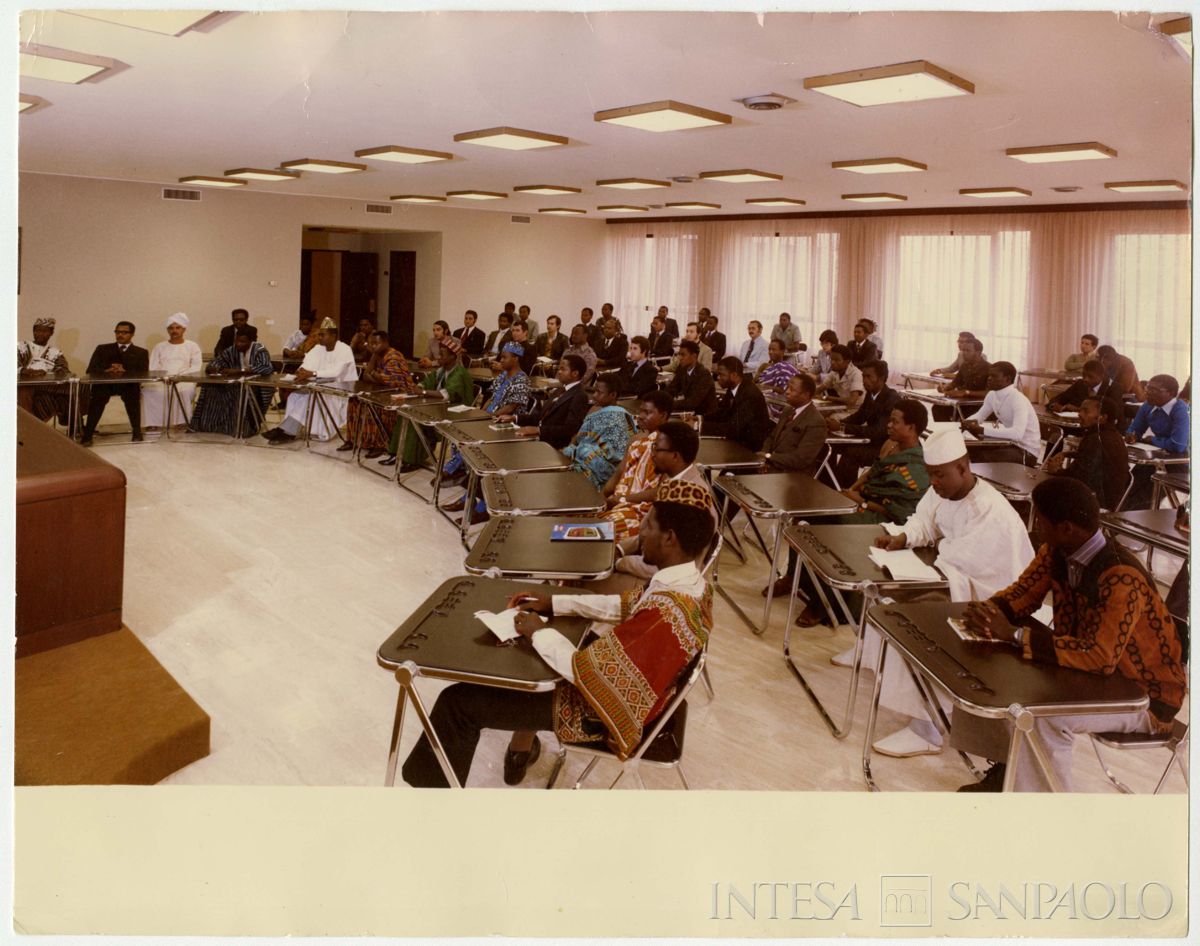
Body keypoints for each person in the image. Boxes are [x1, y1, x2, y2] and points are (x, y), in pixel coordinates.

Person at [401, 486, 714, 788]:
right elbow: (623, 606)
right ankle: (519, 751)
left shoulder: (665, 612)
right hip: (631, 682)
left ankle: (429, 804)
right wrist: (555, 603)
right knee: (526, 655)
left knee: (456, 704)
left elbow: (591, 674)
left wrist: (539, 632)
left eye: (646, 527)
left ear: (669, 538)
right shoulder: (689, 585)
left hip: (599, 709)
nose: (639, 535)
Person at [956, 477, 1186, 792]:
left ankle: (1048, 811)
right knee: (993, 670)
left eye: (1041, 520)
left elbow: (1100, 657)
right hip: (1090, 677)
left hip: (1142, 697)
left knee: (1043, 716)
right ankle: (1007, 771)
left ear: (1066, 528)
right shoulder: (1057, 551)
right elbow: (1022, 594)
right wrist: (989, 612)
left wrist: (1015, 636)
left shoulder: (1122, 577)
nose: (1035, 528)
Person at [853, 428, 1035, 759]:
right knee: (881, 588)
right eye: (931, 475)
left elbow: (977, 572)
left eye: (940, 475)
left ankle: (927, 728)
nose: (934, 482)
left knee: (915, 615)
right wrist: (904, 538)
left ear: (964, 469)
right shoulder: (943, 491)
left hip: (991, 601)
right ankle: (868, 655)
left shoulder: (990, 511)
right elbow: (925, 521)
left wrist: (925, 572)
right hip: (953, 578)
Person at [787, 401, 931, 617]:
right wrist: (850, 491)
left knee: (832, 529)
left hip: (884, 518)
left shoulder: (918, 465)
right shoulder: (890, 446)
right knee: (804, 516)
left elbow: (900, 513)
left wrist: (860, 502)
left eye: (895, 421)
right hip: (862, 502)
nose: (888, 425)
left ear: (911, 428)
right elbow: (871, 473)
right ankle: (793, 578)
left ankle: (823, 605)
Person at [440, 341, 532, 491]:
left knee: (475, 437)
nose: (500, 360)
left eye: (504, 357)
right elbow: (491, 397)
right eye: (501, 357)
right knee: (460, 430)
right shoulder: (503, 375)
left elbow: (510, 407)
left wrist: (487, 417)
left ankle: (456, 469)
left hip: (505, 423)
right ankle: (460, 468)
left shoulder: (522, 380)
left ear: (515, 358)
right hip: (489, 416)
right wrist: (481, 413)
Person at [381, 337, 475, 469]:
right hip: (439, 408)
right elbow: (428, 381)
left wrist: (423, 392)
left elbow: (446, 394)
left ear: (453, 357)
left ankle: (411, 460)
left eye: (442, 355)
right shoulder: (442, 370)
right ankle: (396, 453)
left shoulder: (460, 373)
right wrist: (418, 387)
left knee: (414, 419)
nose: (439, 357)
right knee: (404, 414)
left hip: (454, 414)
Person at [262, 317, 356, 443]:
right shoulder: (318, 348)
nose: (319, 337)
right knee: (294, 396)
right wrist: (301, 371)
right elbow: (307, 363)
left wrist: (312, 373)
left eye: (323, 335)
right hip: (318, 386)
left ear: (333, 335)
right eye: (319, 335)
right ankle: (288, 429)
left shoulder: (344, 349)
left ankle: (287, 431)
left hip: (339, 390)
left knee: (309, 398)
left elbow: (336, 372)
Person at [603, 390, 674, 541]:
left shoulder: (670, 447)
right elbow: (617, 475)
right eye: (641, 411)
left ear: (663, 415)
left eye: (647, 412)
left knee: (595, 532)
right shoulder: (635, 440)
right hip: (618, 503)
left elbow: (659, 491)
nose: (641, 416)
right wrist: (601, 498)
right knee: (579, 521)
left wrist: (624, 499)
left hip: (641, 512)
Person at [1044, 395, 1130, 510]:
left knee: (1044, 488)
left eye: (1085, 411)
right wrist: (1066, 454)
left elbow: (1080, 477)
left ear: (1102, 417)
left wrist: (1056, 471)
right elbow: (1092, 459)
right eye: (1080, 410)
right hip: (1110, 498)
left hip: (1097, 501)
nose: (1080, 414)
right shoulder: (1112, 434)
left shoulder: (1095, 439)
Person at [343, 330, 418, 457]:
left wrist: (375, 376)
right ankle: (353, 440)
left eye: (376, 343)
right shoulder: (377, 355)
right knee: (354, 400)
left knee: (372, 404)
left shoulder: (394, 357)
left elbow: (389, 382)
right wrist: (375, 372)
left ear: (385, 343)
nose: (372, 346)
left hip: (400, 396)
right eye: (371, 344)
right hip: (382, 391)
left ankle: (378, 444)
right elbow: (367, 375)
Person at [825, 360, 900, 485]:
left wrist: (843, 427)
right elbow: (859, 417)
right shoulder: (870, 394)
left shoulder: (891, 399)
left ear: (881, 378)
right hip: (871, 441)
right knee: (829, 446)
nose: (864, 380)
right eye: (863, 376)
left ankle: (844, 491)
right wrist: (835, 423)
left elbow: (878, 431)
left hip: (883, 447)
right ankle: (828, 484)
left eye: (868, 376)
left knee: (852, 452)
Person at [191, 325, 274, 436]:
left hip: (258, 385)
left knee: (241, 392)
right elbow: (214, 363)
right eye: (236, 340)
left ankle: (241, 427)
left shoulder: (260, 350)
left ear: (250, 341)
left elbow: (267, 368)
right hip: (237, 383)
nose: (238, 343)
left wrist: (240, 371)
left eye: (242, 341)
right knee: (210, 387)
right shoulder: (232, 349)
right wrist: (216, 368)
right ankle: (212, 424)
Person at [1123, 374, 1189, 508]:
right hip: (1158, 458)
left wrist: (1152, 440)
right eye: (1148, 388)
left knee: (1144, 494)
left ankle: (1129, 518)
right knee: (1129, 483)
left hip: (1179, 462)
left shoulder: (1180, 410)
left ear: (1170, 393)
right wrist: (1132, 435)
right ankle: (1119, 516)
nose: (1148, 393)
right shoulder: (1148, 405)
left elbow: (1178, 445)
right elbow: (1135, 428)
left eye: (1154, 390)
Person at [80, 320, 150, 446]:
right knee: (97, 398)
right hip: (105, 385)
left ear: (132, 334)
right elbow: (90, 370)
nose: (120, 335)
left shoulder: (141, 352)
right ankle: (88, 434)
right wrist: (107, 370)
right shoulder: (102, 349)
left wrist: (125, 371)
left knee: (133, 397)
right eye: (117, 332)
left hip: (128, 385)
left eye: (124, 332)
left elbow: (143, 373)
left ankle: (137, 431)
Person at [562, 373, 637, 488]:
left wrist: (575, 451)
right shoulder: (595, 410)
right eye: (594, 391)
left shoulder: (620, 418)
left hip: (604, 472)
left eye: (599, 392)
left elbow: (614, 456)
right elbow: (579, 438)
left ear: (613, 395)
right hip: (581, 460)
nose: (594, 396)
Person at [961, 360, 1043, 464]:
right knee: (968, 449)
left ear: (1008, 379)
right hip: (1009, 443)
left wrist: (982, 430)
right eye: (989, 375)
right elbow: (980, 416)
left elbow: (1017, 434)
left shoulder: (1018, 399)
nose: (989, 379)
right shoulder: (992, 394)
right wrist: (965, 423)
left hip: (1026, 451)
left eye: (994, 376)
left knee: (983, 457)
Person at [508, 354, 590, 448]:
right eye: (559, 368)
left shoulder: (579, 396)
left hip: (553, 444)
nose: (559, 372)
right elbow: (541, 416)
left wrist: (538, 430)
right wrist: (515, 418)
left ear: (575, 373)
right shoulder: (559, 389)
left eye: (563, 369)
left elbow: (569, 429)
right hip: (540, 437)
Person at [143, 312, 202, 428]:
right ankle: (153, 423)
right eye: (171, 328)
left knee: (183, 391)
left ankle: (181, 422)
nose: (174, 331)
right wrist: (164, 377)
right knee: (148, 391)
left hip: (185, 379)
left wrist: (178, 377)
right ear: (167, 330)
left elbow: (196, 366)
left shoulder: (192, 346)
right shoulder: (159, 346)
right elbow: (153, 367)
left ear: (184, 329)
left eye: (177, 328)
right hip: (162, 379)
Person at [760, 372, 827, 474]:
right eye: (787, 388)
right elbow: (772, 437)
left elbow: (801, 459)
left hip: (792, 475)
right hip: (773, 465)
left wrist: (769, 457)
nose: (787, 392)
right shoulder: (787, 410)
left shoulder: (816, 422)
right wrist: (763, 456)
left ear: (806, 395)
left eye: (792, 390)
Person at [701, 356, 773, 451]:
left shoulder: (749, 394)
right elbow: (722, 413)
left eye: (721, 375)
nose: (718, 378)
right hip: (734, 440)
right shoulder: (733, 388)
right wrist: (700, 418)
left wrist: (699, 426)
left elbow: (733, 428)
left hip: (748, 448)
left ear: (734, 375)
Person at [17, 316, 70, 424]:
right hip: (23, 386)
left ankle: (74, 423)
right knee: (24, 391)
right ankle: (30, 426)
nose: (40, 334)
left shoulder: (55, 352)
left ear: (51, 333)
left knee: (75, 389)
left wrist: (51, 373)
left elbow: (63, 370)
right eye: (37, 330)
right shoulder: (21, 346)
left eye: (45, 331)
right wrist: (27, 371)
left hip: (45, 388)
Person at [1046, 358, 1125, 412]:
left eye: (1090, 377)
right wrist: (1054, 405)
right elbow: (1059, 398)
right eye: (1084, 375)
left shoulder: (1114, 388)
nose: (1085, 379)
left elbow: (1114, 412)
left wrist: (1078, 409)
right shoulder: (1080, 384)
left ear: (1102, 376)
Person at [666, 340, 718, 416]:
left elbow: (692, 402)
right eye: (679, 354)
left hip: (704, 416)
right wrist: (659, 398)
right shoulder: (682, 369)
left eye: (683, 355)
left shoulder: (704, 374)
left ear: (694, 356)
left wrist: (667, 403)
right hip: (689, 412)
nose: (679, 358)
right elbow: (672, 389)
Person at [754, 339, 800, 413]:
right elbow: (754, 383)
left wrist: (764, 387)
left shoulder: (785, 367)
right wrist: (759, 371)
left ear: (782, 351)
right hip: (761, 397)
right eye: (769, 349)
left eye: (774, 349)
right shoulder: (765, 366)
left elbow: (783, 390)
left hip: (775, 402)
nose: (771, 352)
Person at [815, 344, 864, 410]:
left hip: (855, 410)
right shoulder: (834, 373)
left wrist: (827, 397)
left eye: (837, 360)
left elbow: (852, 401)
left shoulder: (856, 374)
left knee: (823, 418)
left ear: (847, 361)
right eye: (831, 359)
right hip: (842, 407)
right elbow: (820, 389)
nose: (832, 362)